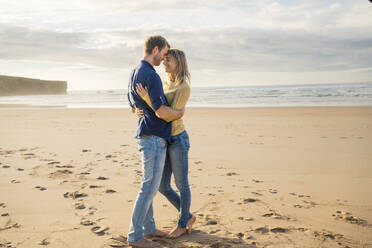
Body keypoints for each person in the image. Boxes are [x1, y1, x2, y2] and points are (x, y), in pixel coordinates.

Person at [127, 35, 185, 248]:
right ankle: (135, 236)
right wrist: (179, 113)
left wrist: (137, 109)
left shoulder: (135, 71)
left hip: (147, 134)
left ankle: (149, 228)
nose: (164, 58)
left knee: (149, 186)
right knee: (149, 188)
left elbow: (132, 103)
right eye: (164, 53)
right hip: (153, 137)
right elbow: (161, 112)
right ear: (156, 49)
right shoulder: (150, 75)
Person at [135, 48, 196, 239]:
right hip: (164, 139)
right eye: (164, 59)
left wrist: (148, 100)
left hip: (177, 139)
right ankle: (188, 216)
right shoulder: (163, 82)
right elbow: (159, 108)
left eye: (168, 60)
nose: (164, 62)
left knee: (181, 184)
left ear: (178, 62)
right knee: (162, 185)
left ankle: (182, 222)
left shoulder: (183, 87)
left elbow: (168, 116)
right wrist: (138, 108)